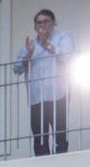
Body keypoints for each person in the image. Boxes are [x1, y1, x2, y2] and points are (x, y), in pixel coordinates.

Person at [11, 8, 73, 156]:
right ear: (34, 26)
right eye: (39, 23)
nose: (42, 25)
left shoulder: (63, 37)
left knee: (60, 133)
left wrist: (47, 45)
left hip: (58, 94)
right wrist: (29, 54)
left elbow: (68, 57)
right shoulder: (29, 46)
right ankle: (42, 165)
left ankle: (61, 163)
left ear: (54, 23)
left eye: (46, 21)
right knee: (39, 138)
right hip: (36, 98)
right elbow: (17, 68)